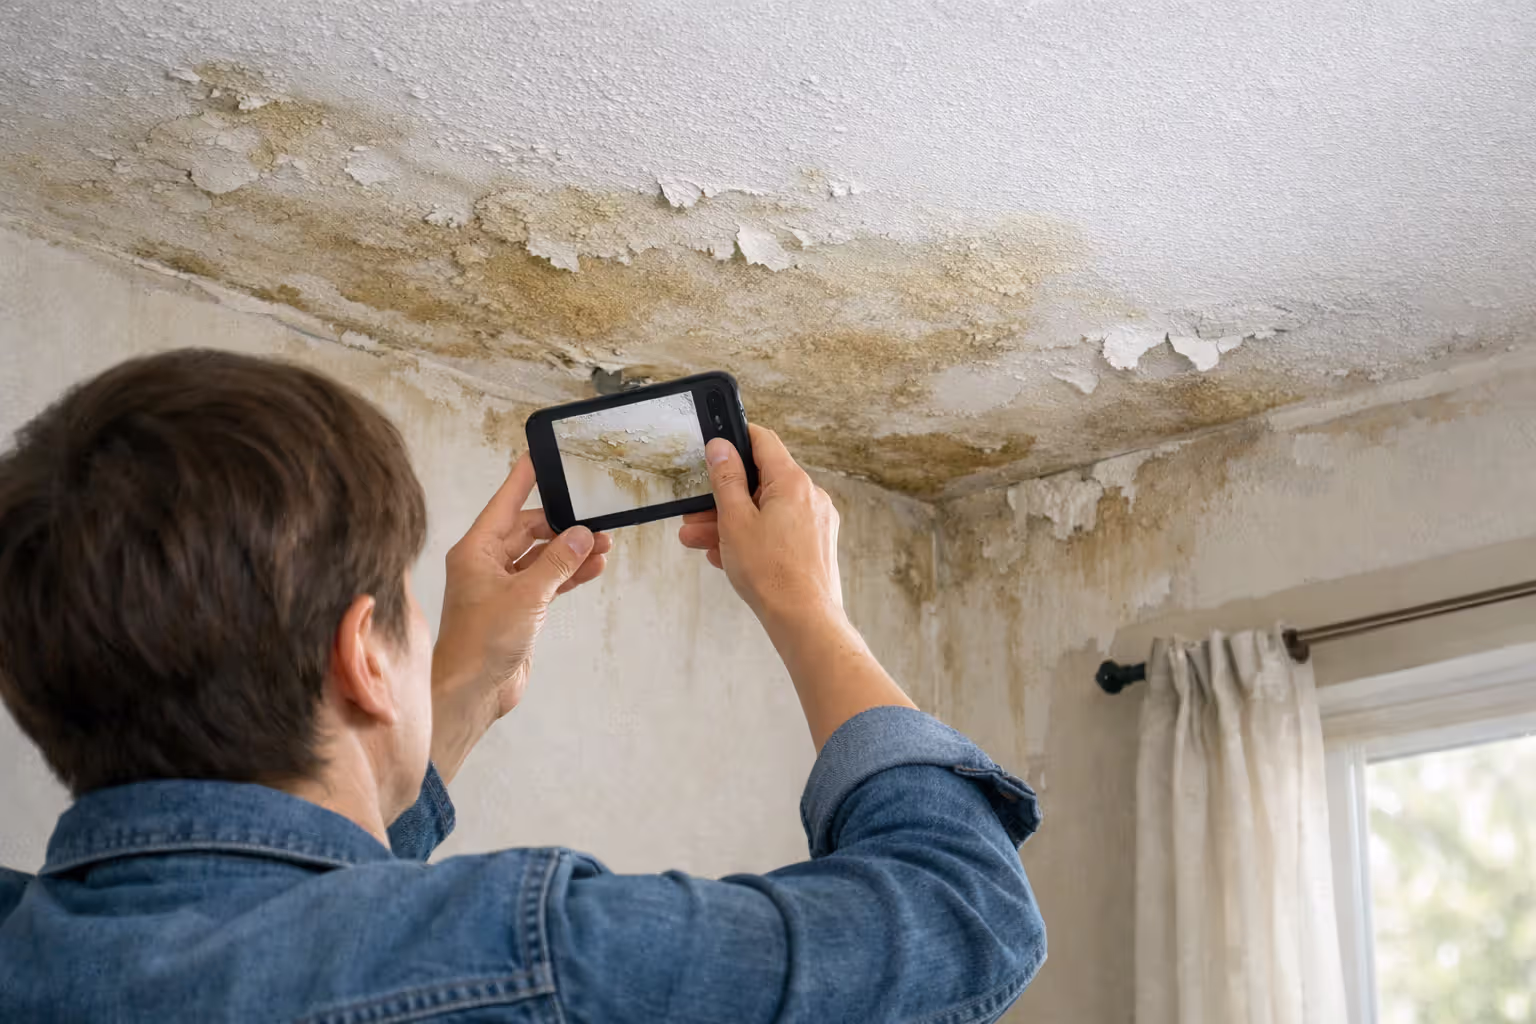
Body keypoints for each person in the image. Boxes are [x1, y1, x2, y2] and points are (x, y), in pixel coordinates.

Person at [0, 349, 1045, 1022]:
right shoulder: (526, 952)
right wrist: (810, 611)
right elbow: (964, 915)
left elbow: (291, 931)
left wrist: (451, 699)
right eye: (402, 602)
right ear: (362, 657)